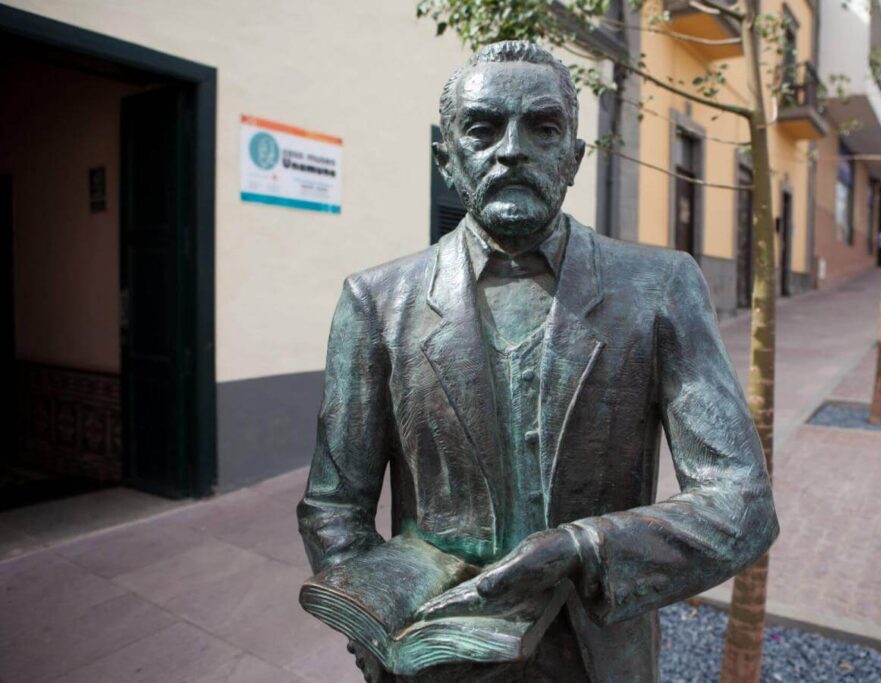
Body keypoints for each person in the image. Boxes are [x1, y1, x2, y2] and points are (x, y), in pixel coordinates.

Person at [297, 41, 778, 682]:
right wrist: (377, 622)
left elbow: (740, 501)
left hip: (600, 658)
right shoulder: (378, 302)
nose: (513, 149)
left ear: (574, 158)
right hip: (440, 661)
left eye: (543, 127)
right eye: (483, 127)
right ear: (448, 160)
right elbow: (334, 507)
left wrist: (585, 548)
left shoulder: (659, 286)